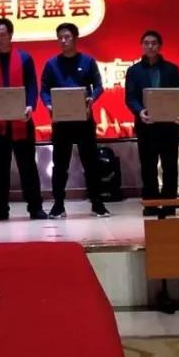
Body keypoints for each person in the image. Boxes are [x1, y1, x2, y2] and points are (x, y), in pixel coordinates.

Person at [0, 18, 47, 221]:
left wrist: (30, 105)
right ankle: (0, 208)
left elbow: (32, 84)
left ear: (10, 35)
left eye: (2, 35)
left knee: (28, 167)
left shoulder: (24, 58)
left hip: (22, 122)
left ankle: (35, 207)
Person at [40, 23, 109, 218]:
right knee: (60, 165)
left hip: (84, 120)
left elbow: (98, 86)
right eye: (60, 37)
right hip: (61, 122)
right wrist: (49, 104)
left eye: (67, 37)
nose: (63, 41)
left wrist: (91, 99)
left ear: (75, 38)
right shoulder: (51, 64)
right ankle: (58, 205)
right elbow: (44, 90)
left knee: (91, 164)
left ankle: (97, 203)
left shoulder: (87, 61)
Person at [125, 30, 179, 217]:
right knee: (148, 166)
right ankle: (151, 203)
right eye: (146, 43)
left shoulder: (172, 69)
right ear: (142, 46)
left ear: (160, 46)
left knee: (170, 166)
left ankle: (169, 204)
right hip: (146, 125)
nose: (150, 46)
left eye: (153, 43)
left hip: (169, 126)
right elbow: (130, 97)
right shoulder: (133, 71)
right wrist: (140, 111)